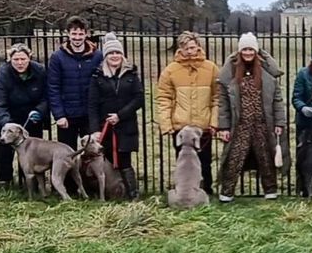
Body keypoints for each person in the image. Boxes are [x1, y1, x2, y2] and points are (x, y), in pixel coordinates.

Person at [216, 33, 288, 202]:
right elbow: (223, 103)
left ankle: (270, 190)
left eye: (251, 49)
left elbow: (277, 99)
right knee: (234, 158)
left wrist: (279, 122)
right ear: (240, 51)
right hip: (239, 125)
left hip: (263, 123)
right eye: (245, 49)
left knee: (266, 158)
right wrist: (223, 127)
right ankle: (227, 192)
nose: (248, 53)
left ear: (256, 51)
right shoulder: (232, 72)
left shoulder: (266, 72)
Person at [156, 31, 220, 195]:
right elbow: (164, 98)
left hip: (203, 125)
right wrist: (166, 124)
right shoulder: (171, 70)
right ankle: (184, 190)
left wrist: (214, 122)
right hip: (181, 126)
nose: (190, 51)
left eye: (192, 47)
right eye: (186, 48)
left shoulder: (211, 68)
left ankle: (206, 190)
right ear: (180, 49)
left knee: (205, 162)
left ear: (198, 47)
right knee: (183, 162)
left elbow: (217, 97)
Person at [88, 33, 144, 200]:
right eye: (111, 53)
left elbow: (139, 98)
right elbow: (92, 104)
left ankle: (133, 195)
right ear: (105, 56)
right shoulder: (97, 76)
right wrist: (94, 130)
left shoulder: (131, 74)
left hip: (125, 125)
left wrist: (120, 115)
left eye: (117, 53)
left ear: (122, 55)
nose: (115, 56)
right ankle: (111, 193)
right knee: (106, 160)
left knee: (125, 160)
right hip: (105, 126)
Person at [0, 43, 48, 188]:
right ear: (10, 59)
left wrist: (40, 111)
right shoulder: (2, 75)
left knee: (32, 152)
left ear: (29, 57)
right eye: (16, 59)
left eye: (23, 59)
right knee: (4, 153)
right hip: (8, 119)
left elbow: (46, 97)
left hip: (31, 119)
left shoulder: (39, 71)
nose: (20, 63)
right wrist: (7, 124)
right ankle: (4, 184)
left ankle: (31, 185)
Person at [48, 16, 103, 151]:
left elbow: (102, 84)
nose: (77, 37)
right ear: (68, 34)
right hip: (67, 115)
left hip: (89, 114)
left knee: (92, 155)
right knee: (67, 155)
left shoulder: (97, 55)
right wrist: (59, 115)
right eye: (74, 33)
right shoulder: (57, 57)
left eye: (80, 34)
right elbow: (53, 87)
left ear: (86, 34)